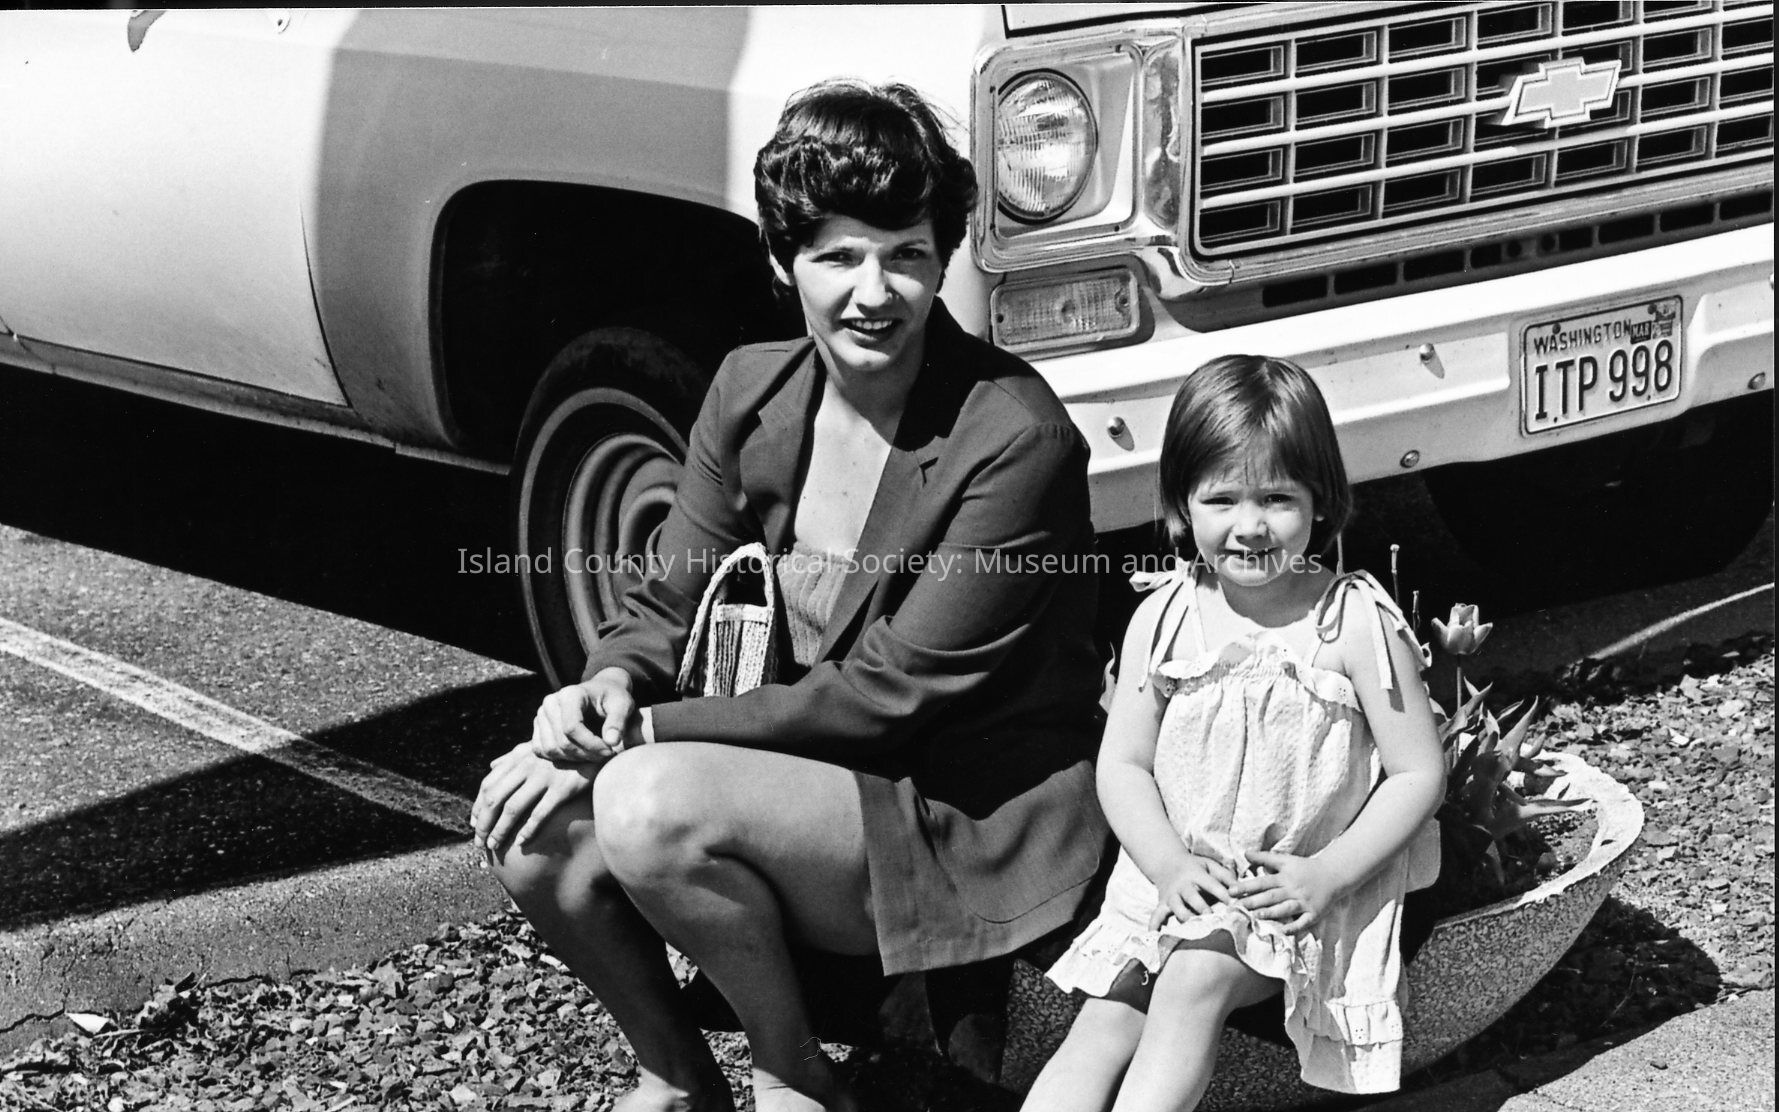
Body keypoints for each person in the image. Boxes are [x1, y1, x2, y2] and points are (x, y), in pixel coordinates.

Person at [470, 79, 1107, 1112]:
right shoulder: (748, 389)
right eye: (839, 256)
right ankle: (675, 1074)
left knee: (644, 804)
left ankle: (793, 1077)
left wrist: (638, 737)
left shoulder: (1014, 436)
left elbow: (887, 694)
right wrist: (607, 686)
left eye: (906, 254)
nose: (876, 292)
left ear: (944, 256)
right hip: (809, 779)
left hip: (959, 811)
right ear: (782, 261)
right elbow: (664, 600)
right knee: (530, 828)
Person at [1022, 356, 1446, 1112]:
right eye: (1220, 498)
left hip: (1296, 895)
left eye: (1277, 497)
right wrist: (1167, 865)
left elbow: (1417, 773)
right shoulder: (1165, 617)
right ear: (1181, 506)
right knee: (1105, 1018)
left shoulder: (1349, 621)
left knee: (1192, 979)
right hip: (1178, 883)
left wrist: (1328, 873)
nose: (1249, 526)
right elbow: (1123, 764)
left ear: (1321, 501)